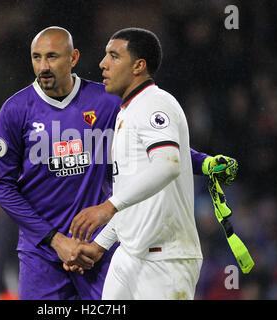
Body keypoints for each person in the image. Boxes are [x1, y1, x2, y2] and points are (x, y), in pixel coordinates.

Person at [0, 26, 236, 300]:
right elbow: (2, 186)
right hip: (42, 253)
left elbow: (155, 148)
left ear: (73, 58)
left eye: (52, 57)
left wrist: (203, 164)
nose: (43, 66)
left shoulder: (108, 101)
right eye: (36, 57)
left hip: (100, 248)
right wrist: (54, 239)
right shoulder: (15, 111)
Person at [67, 28, 205, 300]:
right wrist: (100, 245)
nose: (102, 64)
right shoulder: (126, 112)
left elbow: (168, 165)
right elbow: (134, 195)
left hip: (164, 261)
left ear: (138, 66)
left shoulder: (155, 103)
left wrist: (108, 207)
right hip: (130, 254)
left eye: (114, 56)